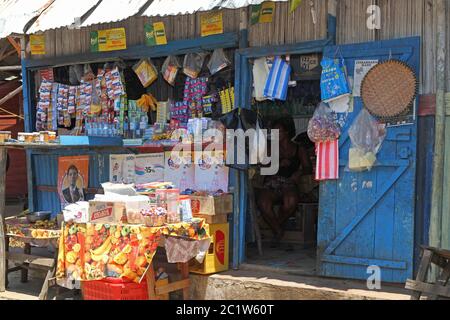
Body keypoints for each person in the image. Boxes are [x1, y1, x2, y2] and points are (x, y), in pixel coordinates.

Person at [256, 117, 313, 246]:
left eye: (279, 131)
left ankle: (276, 228)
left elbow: (308, 168)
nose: (276, 134)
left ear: (287, 132)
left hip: (289, 183)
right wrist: (276, 164)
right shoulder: (269, 147)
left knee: (291, 202)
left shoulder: (299, 149)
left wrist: (298, 173)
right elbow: (262, 167)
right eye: (273, 131)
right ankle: (278, 230)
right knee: (263, 202)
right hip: (271, 183)